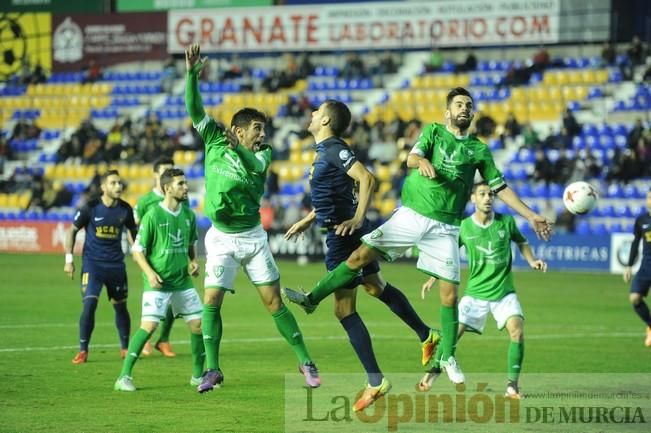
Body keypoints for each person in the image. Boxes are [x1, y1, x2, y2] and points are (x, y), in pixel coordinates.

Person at [283, 87, 553, 387]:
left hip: (440, 226)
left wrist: (531, 215)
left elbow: (500, 187)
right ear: (447, 112)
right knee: (367, 270)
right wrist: (420, 161)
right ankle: (421, 335)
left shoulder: (478, 150)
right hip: (411, 214)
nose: (464, 108)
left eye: (469, 105)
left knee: (441, 296)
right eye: (459, 104)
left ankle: (436, 356)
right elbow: (411, 158)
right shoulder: (434, 132)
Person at [283, 100, 441, 412]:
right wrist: (310, 218)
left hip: (343, 235)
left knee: (343, 311)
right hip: (342, 228)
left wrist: (357, 218)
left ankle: (375, 380)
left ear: (326, 119)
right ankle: (427, 334)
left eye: (316, 111)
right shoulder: (325, 151)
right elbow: (336, 193)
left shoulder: (333, 149)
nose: (311, 114)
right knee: (375, 286)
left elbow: (367, 178)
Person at [184, 43, 320, 393]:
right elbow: (194, 109)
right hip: (220, 237)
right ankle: (213, 370)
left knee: (273, 302)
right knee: (211, 301)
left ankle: (305, 361)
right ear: (239, 129)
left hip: (253, 238)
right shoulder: (214, 139)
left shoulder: (262, 155)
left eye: (263, 129)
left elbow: (251, 165)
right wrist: (191, 77)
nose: (263, 134)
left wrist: (241, 149)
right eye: (257, 129)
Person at [418, 182, 548, 399]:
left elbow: (522, 241)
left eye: (490, 194)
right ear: (473, 199)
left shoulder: (506, 223)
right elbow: (446, 253)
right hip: (475, 293)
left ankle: (512, 387)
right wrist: (433, 277)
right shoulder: (464, 227)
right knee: (452, 335)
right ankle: (433, 373)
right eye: (482, 194)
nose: (488, 198)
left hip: (504, 292)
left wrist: (532, 260)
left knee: (517, 330)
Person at [114, 168, 204, 391]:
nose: (185, 187)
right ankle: (123, 377)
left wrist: (193, 262)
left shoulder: (189, 215)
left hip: (182, 281)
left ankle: (198, 376)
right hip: (158, 282)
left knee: (199, 325)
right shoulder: (153, 215)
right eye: (180, 184)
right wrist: (150, 273)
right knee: (149, 326)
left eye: (185, 183)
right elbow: (138, 250)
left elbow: (190, 245)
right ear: (167, 188)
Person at [64, 170, 138, 364]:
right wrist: (69, 259)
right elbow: (71, 232)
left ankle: (124, 348)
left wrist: (138, 252)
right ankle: (83, 350)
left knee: (121, 308)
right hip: (93, 265)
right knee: (89, 304)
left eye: (119, 183)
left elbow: (133, 232)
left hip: (116, 266)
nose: (118, 187)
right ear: (103, 187)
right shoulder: (90, 208)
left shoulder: (125, 209)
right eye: (113, 183)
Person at [133, 156, 180, 358]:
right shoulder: (145, 202)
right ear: (155, 175)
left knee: (172, 301)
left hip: (171, 257)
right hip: (151, 259)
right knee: (156, 300)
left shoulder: (177, 199)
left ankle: (164, 339)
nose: (168, 174)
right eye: (164, 171)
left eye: (171, 170)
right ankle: (147, 339)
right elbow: (133, 227)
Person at [623, 189, 651, 347]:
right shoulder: (641, 220)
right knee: (635, 298)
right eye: (649, 197)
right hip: (647, 264)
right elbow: (635, 243)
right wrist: (628, 265)